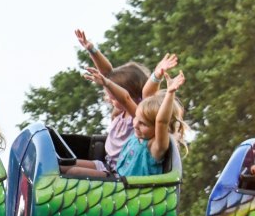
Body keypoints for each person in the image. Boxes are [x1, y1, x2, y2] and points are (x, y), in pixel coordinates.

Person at [63, 30, 178, 176]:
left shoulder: (137, 114)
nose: (108, 99)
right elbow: (107, 73)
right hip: (107, 164)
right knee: (64, 164)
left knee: (74, 171)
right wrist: (92, 49)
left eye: (112, 97)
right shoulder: (120, 113)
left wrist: (157, 75)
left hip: (116, 176)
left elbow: (127, 97)